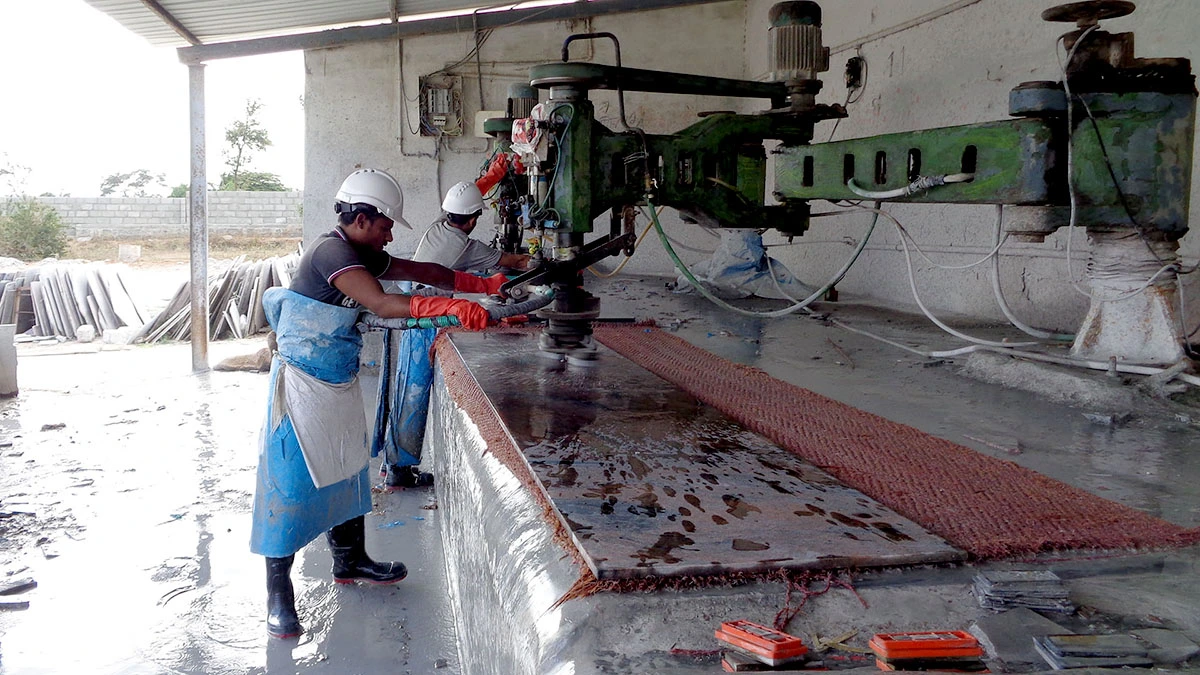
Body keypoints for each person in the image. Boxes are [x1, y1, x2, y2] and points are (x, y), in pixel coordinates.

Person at [249, 168, 506, 639]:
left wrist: (483, 286)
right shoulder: (333, 252)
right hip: (301, 386)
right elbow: (382, 304)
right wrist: (450, 308)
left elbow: (422, 271)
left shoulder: (364, 252)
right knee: (287, 488)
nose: (390, 236)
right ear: (363, 219)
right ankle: (279, 596)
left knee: (348, 470)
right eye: (387, 226)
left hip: (338, 379)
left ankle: (351, 561)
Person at [412, 154, 532, 274]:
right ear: (472, 221)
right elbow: (517, 262)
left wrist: (491, 177)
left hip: (410, 284)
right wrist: (542, 261)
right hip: (430, 292)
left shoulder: (436, 227)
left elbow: (461, 203)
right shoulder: (467, 248)